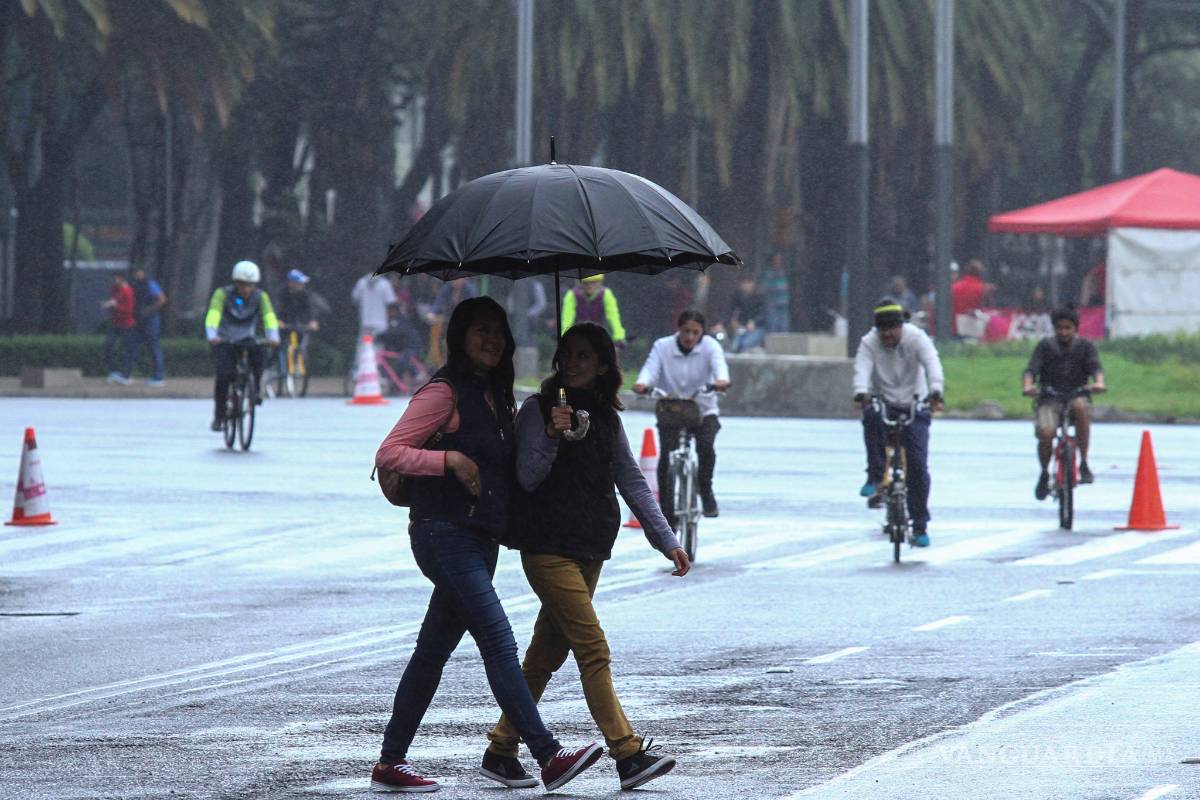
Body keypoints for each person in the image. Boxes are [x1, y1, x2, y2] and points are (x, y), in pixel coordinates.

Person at [372, 297, 603, 794]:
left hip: (481, 540)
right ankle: (548, 754)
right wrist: (449, 461)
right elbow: (390, 451)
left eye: (499, 331)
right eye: (481, 330)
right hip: (442, 533)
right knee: (498, 639)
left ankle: (391, 761)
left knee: (431, 651)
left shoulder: (499, 397)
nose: (492, 339)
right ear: (460, 336)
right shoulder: (444, 392)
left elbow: (519, 468)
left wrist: (559, 429)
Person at [481, 322, 689, 791]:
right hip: (547, 548)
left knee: (544, 655)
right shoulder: (538, 410)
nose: (573, 363)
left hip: (591, 547)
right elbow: (527, 477)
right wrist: (554, 437)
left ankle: (501, 746)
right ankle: (628, 753)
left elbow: (632, 480)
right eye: (567, 354)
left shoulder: (607, 418)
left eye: (584, 356)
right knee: (592, 646)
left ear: (602, 367)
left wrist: (666, 539)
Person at [852, 298, 945, 548]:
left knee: (917, 466)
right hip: (884, 400)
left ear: (902, 326)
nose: (888, 335)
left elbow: (932, 363)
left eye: (893, 329)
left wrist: (936, 391)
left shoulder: (917, 338)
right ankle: (874, 477)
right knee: (870, 417)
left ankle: (920, 525)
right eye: (883, 330)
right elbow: (861, 369)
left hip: (916, 403)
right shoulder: (869, 343)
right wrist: (861, 392)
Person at [634, 310, 731, 521]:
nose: (690, 337)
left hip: (703, 410)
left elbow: (719, 368)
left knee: (705, 447)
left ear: (702, 333)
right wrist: (643, 384)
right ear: (678, 329)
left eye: (695, 332)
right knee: (667, 457)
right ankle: (667, 512)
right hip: (672, 410)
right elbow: (650, 369)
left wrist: (721, 381)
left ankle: (705, 491)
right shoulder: (662, 346)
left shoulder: (711, 347)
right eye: (686, 331)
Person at [1022, 306, 1106, 498]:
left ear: (1075, 328)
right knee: (1047, 433)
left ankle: (1083, 462)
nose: (1064, 332)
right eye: (1060, 328)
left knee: (1081, 408)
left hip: (1076, 395)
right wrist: (1028, 386)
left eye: (1068, 328)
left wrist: (1099, 383)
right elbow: (1031, 370)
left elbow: (1096, 368)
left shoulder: (1085, 347)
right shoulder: (1045, 347)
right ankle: (1044, 473)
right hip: (1049, 398)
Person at [204, 261, 280, 432]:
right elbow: (213, 314)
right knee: (224, 375)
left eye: (250, 285)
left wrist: (273, 337)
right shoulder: (222, 294)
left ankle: (256, 390)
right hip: (224, 339)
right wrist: (212, 335)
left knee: (259, 358)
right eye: (242, 285)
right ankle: (219, 415)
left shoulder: (261, 297)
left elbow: (269, 317)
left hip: (247, 337)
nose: (246, 289)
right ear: (235, 283)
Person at [276, 269, 321, 376]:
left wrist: (313, 321)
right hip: (284, 322)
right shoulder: (281, 293)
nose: (302, 285)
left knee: (302, 342)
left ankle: (298, 362)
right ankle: (278, 366)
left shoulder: (305, 294)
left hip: (299, 323)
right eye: (299, 283)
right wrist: (279, 321)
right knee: (280, 345)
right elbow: (277, 308)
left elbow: (310, 309)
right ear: (292, 283)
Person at [561, 274, 626, 345]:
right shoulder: (572, 295)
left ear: (599, 283)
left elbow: (613, 317)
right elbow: (567, 318)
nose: (589, 285)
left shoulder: (606, 294)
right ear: (580, 283)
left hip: (600, 334)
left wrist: (619, 336)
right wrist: (565, 336)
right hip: (580, 335)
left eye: (593, 282)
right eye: (586, 283)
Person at [129, 267, 167, 387]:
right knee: (133, 346)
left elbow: (162, 300)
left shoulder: (150, 284)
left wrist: (149, 310)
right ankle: (127, 373)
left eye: (138, 272)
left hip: (150, 320)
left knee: (153, 347)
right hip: (139, 320)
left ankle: (158, 376)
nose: (136, 275)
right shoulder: (135, 285)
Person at [101, 273, 136, 385]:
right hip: (115, 323)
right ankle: (114, 372)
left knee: (127, 350)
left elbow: (128, 310)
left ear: (121, 279)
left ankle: (126, 375)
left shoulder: (128, 291)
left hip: (127, 324)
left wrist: (114, 306)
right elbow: (114, 301)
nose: (114, 281)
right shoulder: (115, 289)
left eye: (115, 279)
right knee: (108, 346)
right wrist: (109, 305)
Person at [951, 258, 996, 335]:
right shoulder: (984, 289)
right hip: (974, 329)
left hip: (954, 328)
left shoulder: (954, 287)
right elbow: (989, 309)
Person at [351, 270, 398, 337]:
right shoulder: (384, 284)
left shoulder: (361, 283)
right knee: (379, 344)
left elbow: (355, 298)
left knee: (367, 344)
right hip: (381, 324)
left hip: (366, 324)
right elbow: (391, 302)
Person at [728, 275, 766, 352]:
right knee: (735, 345)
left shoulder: (759, 297)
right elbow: (734, 311)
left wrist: (754, 322)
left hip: (757, 328)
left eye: (748, 283)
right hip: (742, 328)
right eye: (744, 283)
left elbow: (763, 314)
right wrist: (734, 321)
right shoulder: (738, 297)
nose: (746, 286)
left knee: (746, 344)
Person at [763, 253, 791, 333]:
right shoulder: (768, 274)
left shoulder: (784, 273)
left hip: (783, 303)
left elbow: (786, 286)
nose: (778, 262)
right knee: (773, 326)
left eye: (780, 260)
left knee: (784, 326)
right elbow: (764, 287)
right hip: (772, 303)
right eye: (776, 260)